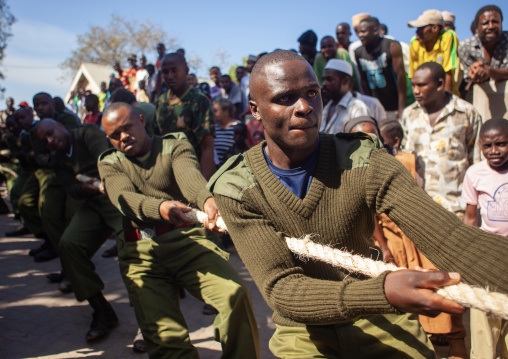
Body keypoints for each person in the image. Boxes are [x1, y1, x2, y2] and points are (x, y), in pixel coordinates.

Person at [208, 49, 508, 358]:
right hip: (303, 330)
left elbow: (452, 239)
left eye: (312, 93)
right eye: (285, 98)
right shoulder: (237, 187)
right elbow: (282, 290)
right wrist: (383, 292)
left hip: (380, 318)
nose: (305, 107)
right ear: (255, 110)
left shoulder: (364, 161)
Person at [98, 102, 260, 358]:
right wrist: (160, 207)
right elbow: (124, 199)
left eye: (127, 127)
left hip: (186, 241)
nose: (123, 137)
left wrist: (206, 199)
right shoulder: (110, 162)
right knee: (167, 343)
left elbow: (191, 178)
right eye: (114, 135)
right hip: (140, 253)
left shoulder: (174, 144)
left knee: (235, 296)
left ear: (141, 119)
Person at [33, 118, 123, 342]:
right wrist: (82, 188)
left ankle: (150, 321)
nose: (51, 140)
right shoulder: (57, 159)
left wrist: (103, 181)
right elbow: (69, 187)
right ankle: (102, 311)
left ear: (62, 126)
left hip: (117, 196)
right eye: (45, 140)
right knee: (68, 245)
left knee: (135, 250)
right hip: (92, 201)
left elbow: (106, 157)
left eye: (51, 133)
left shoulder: (86, 133)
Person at [462, 118, 508, 359]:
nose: (494, 152)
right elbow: (470, 218)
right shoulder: (475, 173)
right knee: (484, 325)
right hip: (488, 254)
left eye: (501, 144)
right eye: (487, 146)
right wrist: (468, 256)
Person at [155, 53, 215, 180]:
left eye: (174, 71)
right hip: (168, 173)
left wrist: (202, 188)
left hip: (193, 172)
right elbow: (157, 141)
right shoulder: (160, 102)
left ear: (186, 71)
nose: (170, 76)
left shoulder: (199, 101)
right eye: (165, 72)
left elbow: (207, 147)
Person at [458, 5, 508, 120]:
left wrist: (490, 71)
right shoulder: (466, 47)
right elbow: (470, 78)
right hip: (481, 102)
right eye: (485, 23)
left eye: (495, 22)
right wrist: (475, 74)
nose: (490, 26)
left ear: (501, 23)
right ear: (477, 26)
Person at [355, 17, 407, 119]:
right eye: (358, 32)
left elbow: (401, 78)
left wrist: (401, 108)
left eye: (363, 32)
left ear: (375, 30)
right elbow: (364, 81)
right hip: (377, 107)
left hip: (395, 105)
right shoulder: (358, 52)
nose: (360, 35)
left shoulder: (392, 46)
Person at [407, 9, 461, 96]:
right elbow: (414, 77)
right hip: (425, 98)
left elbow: (448, 72)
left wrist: (447, 102)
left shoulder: (447, 37)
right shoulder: (415, 43)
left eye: (421, 28)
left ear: (435, 28)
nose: (417, 32)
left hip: (445, 94)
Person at [320, 59, 369, 134]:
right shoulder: (326, 108)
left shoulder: (357, 107)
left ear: (345, 80)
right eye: (324, 80)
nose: (324, 84)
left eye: (329, 79)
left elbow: (363, 142)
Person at [213, 99, 241, 167]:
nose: (213, 113)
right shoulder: (213, 127)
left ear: (226, 112)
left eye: (216, 111)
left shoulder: (238, 127)